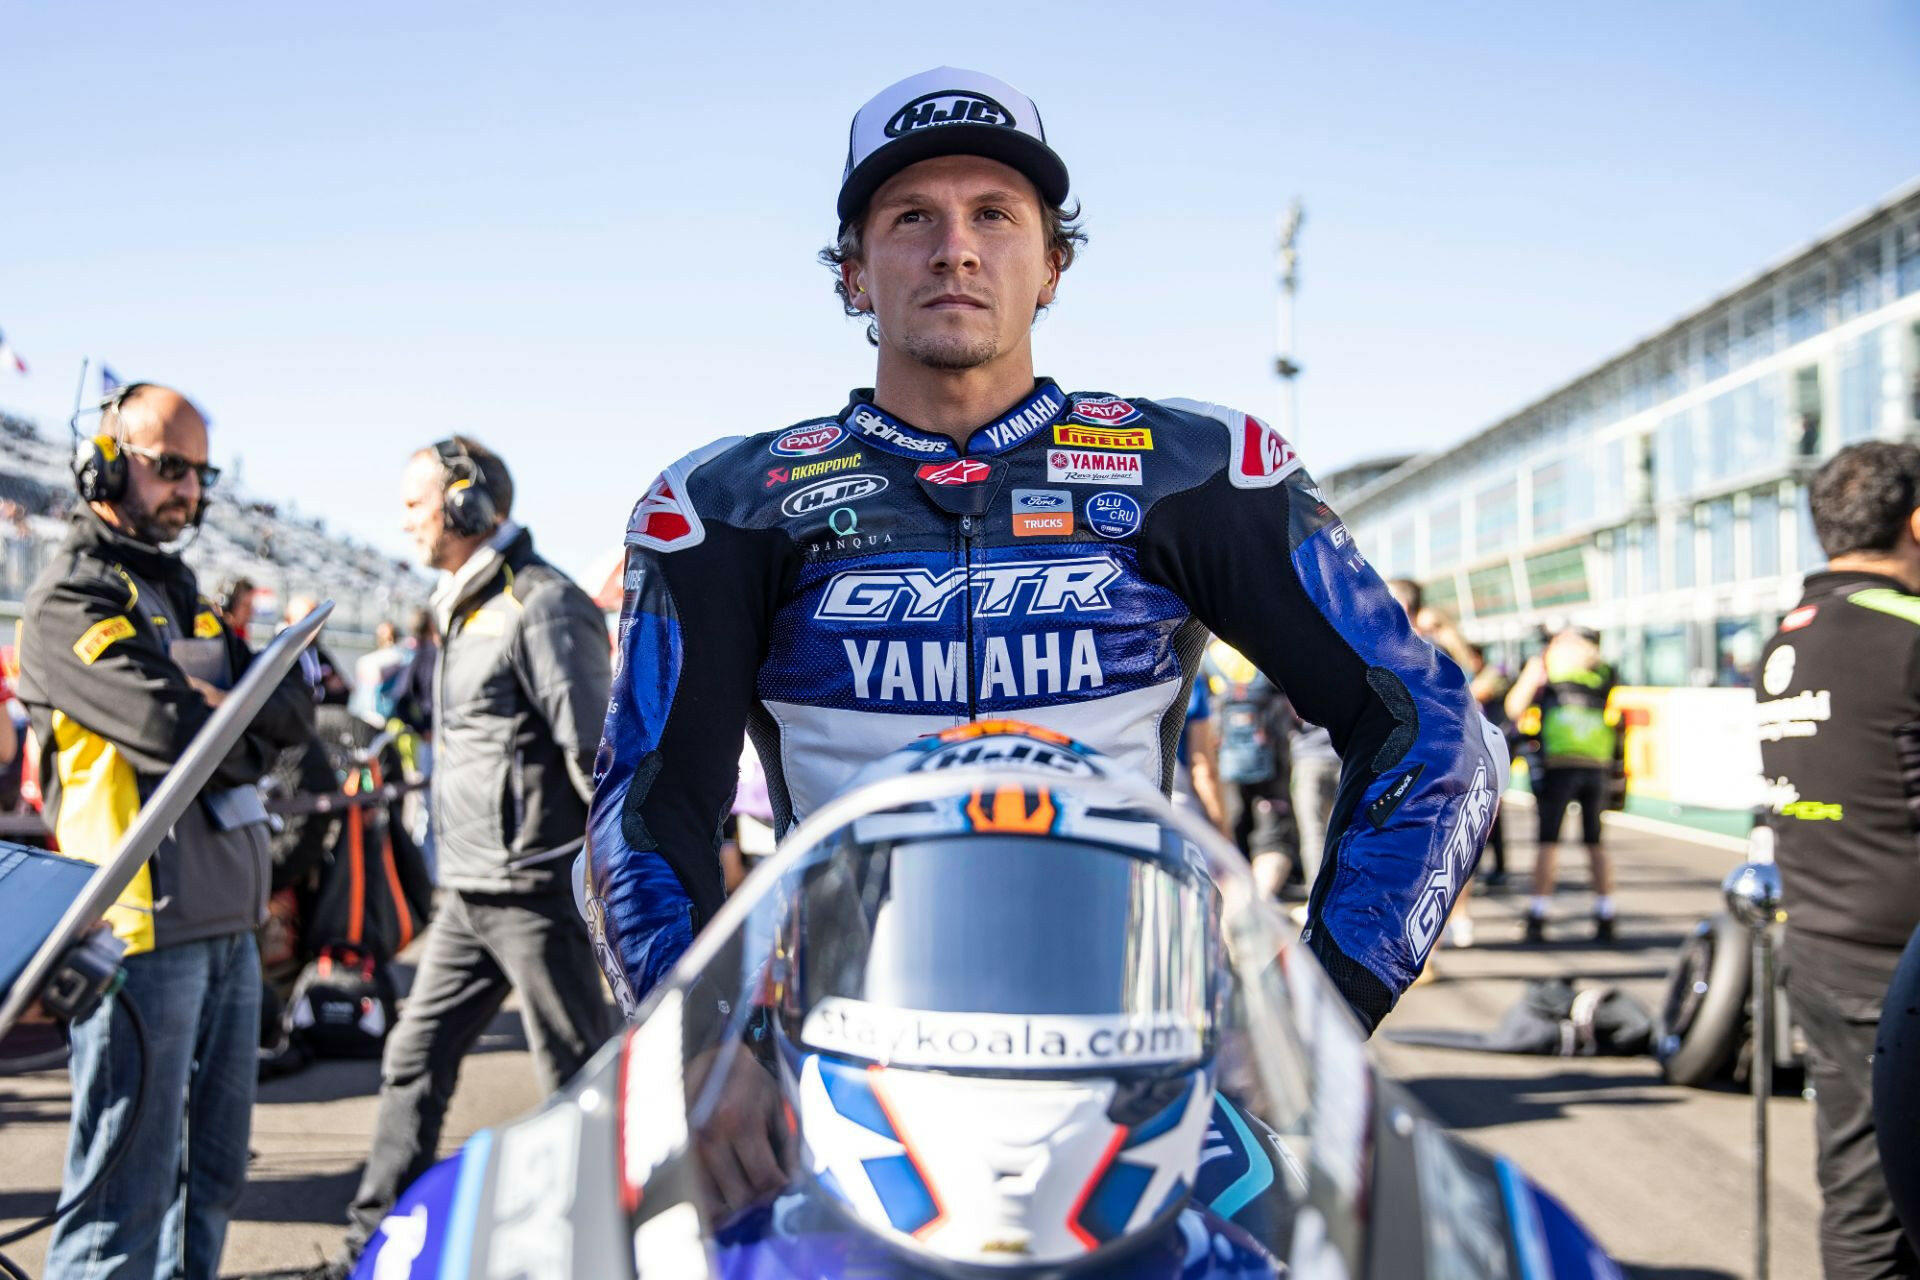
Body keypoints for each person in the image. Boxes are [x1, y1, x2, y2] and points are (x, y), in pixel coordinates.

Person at [587, 66, 1504, 1041]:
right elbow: (648, 805)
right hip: (842, 1047)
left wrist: (1320, 1014)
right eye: (910, 218)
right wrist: (696, 1052)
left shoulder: (1195, 469)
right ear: (853, 269)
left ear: (1054, 263)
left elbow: (1431, 726)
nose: (956, 251)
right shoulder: (728, 502)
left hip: (1141, 1043)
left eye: (994, 215)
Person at [19, 382, 314, 1280]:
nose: (189, 489)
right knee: (124, 1207)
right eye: (169, 466)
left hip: (228, 922)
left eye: (201, 472)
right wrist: (226, 706)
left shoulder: (181, 592)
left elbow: (289, 713)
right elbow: (175, 732)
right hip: (138, 932)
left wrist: (228, 706)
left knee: (214, 1182)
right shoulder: (70, 599)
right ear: (105, 463)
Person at [322, 436, 614, 1276]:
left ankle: (600, 1249)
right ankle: (363, 1249)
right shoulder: (467, 602)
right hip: (471, 892)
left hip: (533, 892)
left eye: (416, 503)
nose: (405, 521)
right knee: (412, 1059)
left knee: (578, 1083)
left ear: (465, 505)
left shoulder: (541, 603)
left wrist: (611, 883)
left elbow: (593, 752)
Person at [1757, 441, 1920, 1279]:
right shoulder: (1904, 631)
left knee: (1858, 1200)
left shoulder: (1789, 636)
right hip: (1897, 966)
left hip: (1819, 945)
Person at [1506, 624, 1622, 943]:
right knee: (1595, 842)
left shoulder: (1547, 666)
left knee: (1548, 841)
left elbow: (1514, 706)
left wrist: (1539, 664)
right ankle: (1605, 910)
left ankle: (1538, 913)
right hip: (1597, 764)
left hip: (1558, 764)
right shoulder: (1604, 670)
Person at [1201, 636, 1297, 900]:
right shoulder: (1266, 648)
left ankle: (1241, 904)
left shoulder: (1210, 656)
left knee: (1236, 831)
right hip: (1272, 759)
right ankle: (1261, 902)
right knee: (1272, 838)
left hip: (1225, 761)